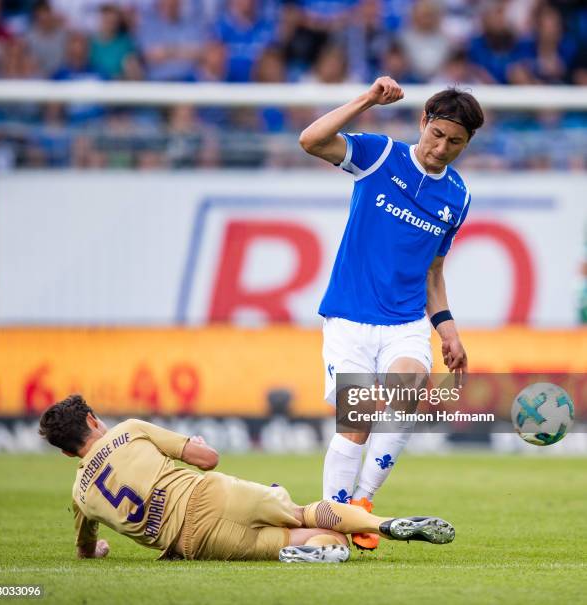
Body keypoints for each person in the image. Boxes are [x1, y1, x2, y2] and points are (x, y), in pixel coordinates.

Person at [299, 76, 483, 550]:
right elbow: (311, 140)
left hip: (405, 324)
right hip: (349, 318)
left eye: (455, 143)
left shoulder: (457, 198)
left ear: (468, 144)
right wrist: (366, 100)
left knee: (404, 401)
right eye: (437, 134)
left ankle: (358, 508)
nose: (441, 148)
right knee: (356, 424)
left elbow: (433, 273)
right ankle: (331, 525)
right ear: (423, 122)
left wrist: (449, 331)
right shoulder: (380, 156)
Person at [38, 395, 455, 563]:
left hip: (191, 544)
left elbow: (84, 550)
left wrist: (98, 550)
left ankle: (309, 555)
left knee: (309, 543)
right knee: (303, 512)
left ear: (63, 451)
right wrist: (197, 444)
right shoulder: (128, 430)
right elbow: (208, 459)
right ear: (93, 419)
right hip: (211, 494)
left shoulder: (79, 495)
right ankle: (384, 524)